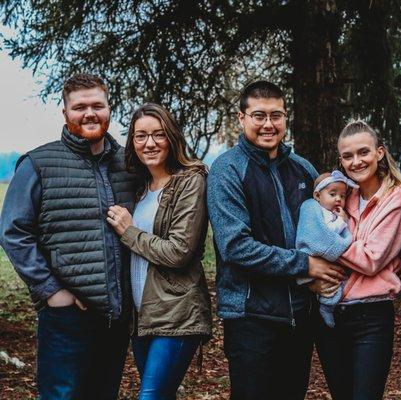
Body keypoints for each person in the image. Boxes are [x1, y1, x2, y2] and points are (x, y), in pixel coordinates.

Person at [0, 73, 136, 399]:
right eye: (80, 107)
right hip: (66, 317)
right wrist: (51, 291)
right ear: (66, 114)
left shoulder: (128, 164)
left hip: (116, 318)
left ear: (109, 109)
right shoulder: (38, 164)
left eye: (97, 105)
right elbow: (13, 231)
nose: (89, 113)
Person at [206, 81, 345, 400]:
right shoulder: (227, 170)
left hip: (299, 316)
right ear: (241, 118)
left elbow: (324, 231)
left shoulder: (303, 170)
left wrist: (316, 276)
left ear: (286, 118)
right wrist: (305, 265)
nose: (268, 124)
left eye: (276, 115)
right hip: (251, 318)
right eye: (259, 115)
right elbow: (235, 247)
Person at [106, 103, 212, 399]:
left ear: (172, 138)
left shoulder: (190, 181)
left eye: (158, 135)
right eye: (141, 136)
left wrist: (129, 232)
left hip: (176, 312)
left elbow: (179, 252)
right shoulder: (140, 187)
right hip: (142, 316)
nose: (149, 143)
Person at [312, 119, 401, 400]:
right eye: (347, 156)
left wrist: (325, 241)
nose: (356, 161)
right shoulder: (345, 194)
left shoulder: (396, 197)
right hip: (331, 315)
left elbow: (371, 259)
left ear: (379, 152)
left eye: (363, 152)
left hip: (371, 315)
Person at [295, 170, 358, 327]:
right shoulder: (316, 211)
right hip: (314, 256)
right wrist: (343, 222)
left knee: (334, 283)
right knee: (329, 284)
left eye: (342, 196)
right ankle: (326, 307)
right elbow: (326, 232)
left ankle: (328, 305)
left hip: (325, 263)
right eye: (332, 194)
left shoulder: (333, 213)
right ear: (317, 196)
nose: (338, 199)